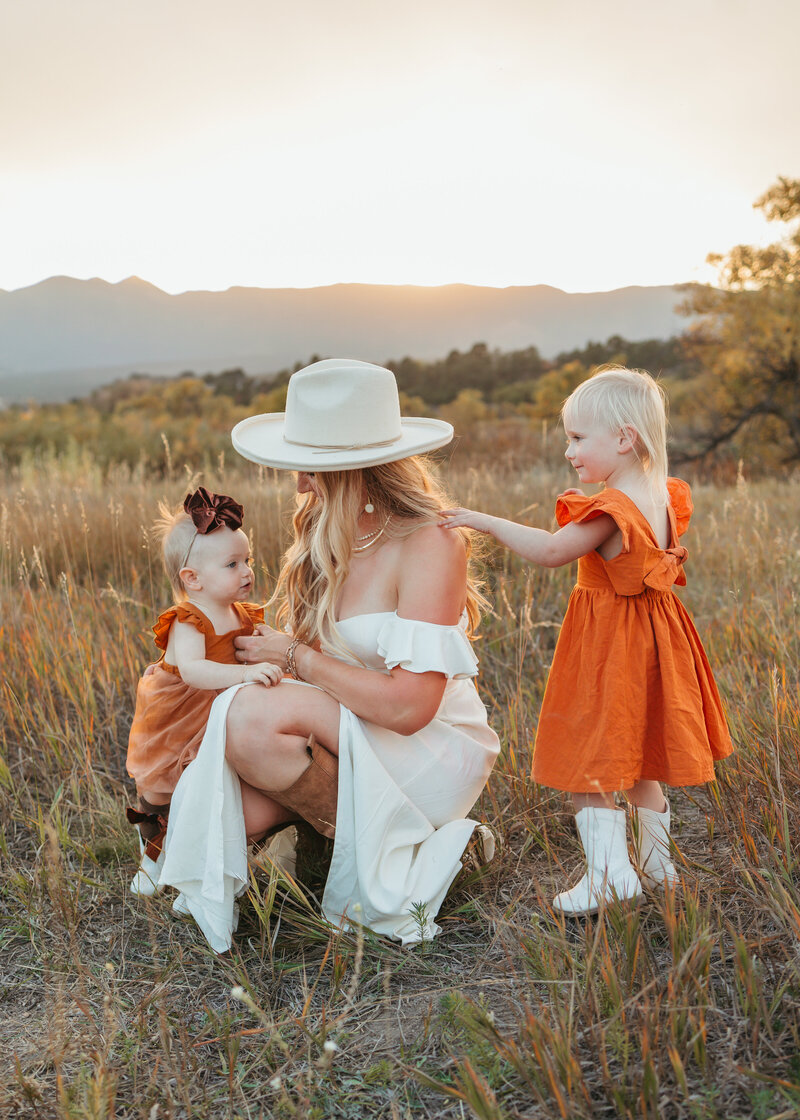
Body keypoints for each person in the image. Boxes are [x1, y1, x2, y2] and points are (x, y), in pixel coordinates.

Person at [159, 358, 500, 950]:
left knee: (248, 721)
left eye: (311, 469)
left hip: (426, 745)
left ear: (353, 469)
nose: (298, 484)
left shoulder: (431, 542)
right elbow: (308, 666)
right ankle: (340, 839)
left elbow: (412, 708)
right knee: (219, 800)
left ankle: (410, 839)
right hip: (352, 726)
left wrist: (292, 658)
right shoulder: (325, 531)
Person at [440, 366, 733, 915]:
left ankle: (608, 877)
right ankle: (656, 866)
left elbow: (552, 551)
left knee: (587, 754)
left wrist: (482, 519)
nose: (569, 451)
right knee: (640, 754)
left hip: (609, 646)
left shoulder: (611, 510)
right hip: (655, 642)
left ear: (624, 439)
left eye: (578, 438)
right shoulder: (663, 498)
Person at [126, 486, 282, 895]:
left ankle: (207, 856)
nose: (247, 571)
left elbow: (258, 650)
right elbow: (194, 671)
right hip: (179, 713)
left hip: (220, 713)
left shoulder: (242, 615)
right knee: (162, 787)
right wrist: (246, 675)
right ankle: (152, 850)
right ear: (192, 579)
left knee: (210, 788)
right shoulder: (188, 619)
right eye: (232, 564)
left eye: (247, 560)